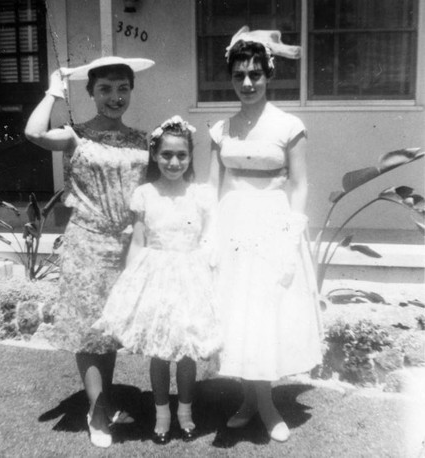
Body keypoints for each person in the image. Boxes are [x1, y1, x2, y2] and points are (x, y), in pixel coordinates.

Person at [24, 56, 154, 448]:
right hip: (87, 241)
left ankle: (104, 399)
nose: (115, 97)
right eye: (105, 89)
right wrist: (52, 90)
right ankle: (97, 412)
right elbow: (32, 132)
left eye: (122, 89)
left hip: (127, 244)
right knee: (89, 329)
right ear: (91, 93)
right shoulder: (76, 135)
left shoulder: (142, 139)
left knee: (110, 328)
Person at [208, 27, 323, 443]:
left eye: (255, 74)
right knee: (239, 315)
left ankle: (267, 404)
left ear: (269, 74)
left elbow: (301, 184)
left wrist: (292, 235)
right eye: (239, 75)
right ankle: (250, 400)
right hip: (233, 226)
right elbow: (213, 187)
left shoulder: (289, 125)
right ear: (232, 78)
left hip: (273, 224)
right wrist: (209, 235)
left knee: (265, 314)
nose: (248, 83)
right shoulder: (221, 130)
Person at [93, 116, 221, 445]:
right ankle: (162, 415)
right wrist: (131, 284)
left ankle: (185, 413)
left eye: (181, 155)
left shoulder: (201, 194)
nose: (174, 162)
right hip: (156, 278)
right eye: (166, 155)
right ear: (154, 155)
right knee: (160, 351)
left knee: (187, 350)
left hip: (190, 277)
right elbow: (138, 241)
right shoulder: (146, 194)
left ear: (191, 157)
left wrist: (207, 269)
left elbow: (208, 238)